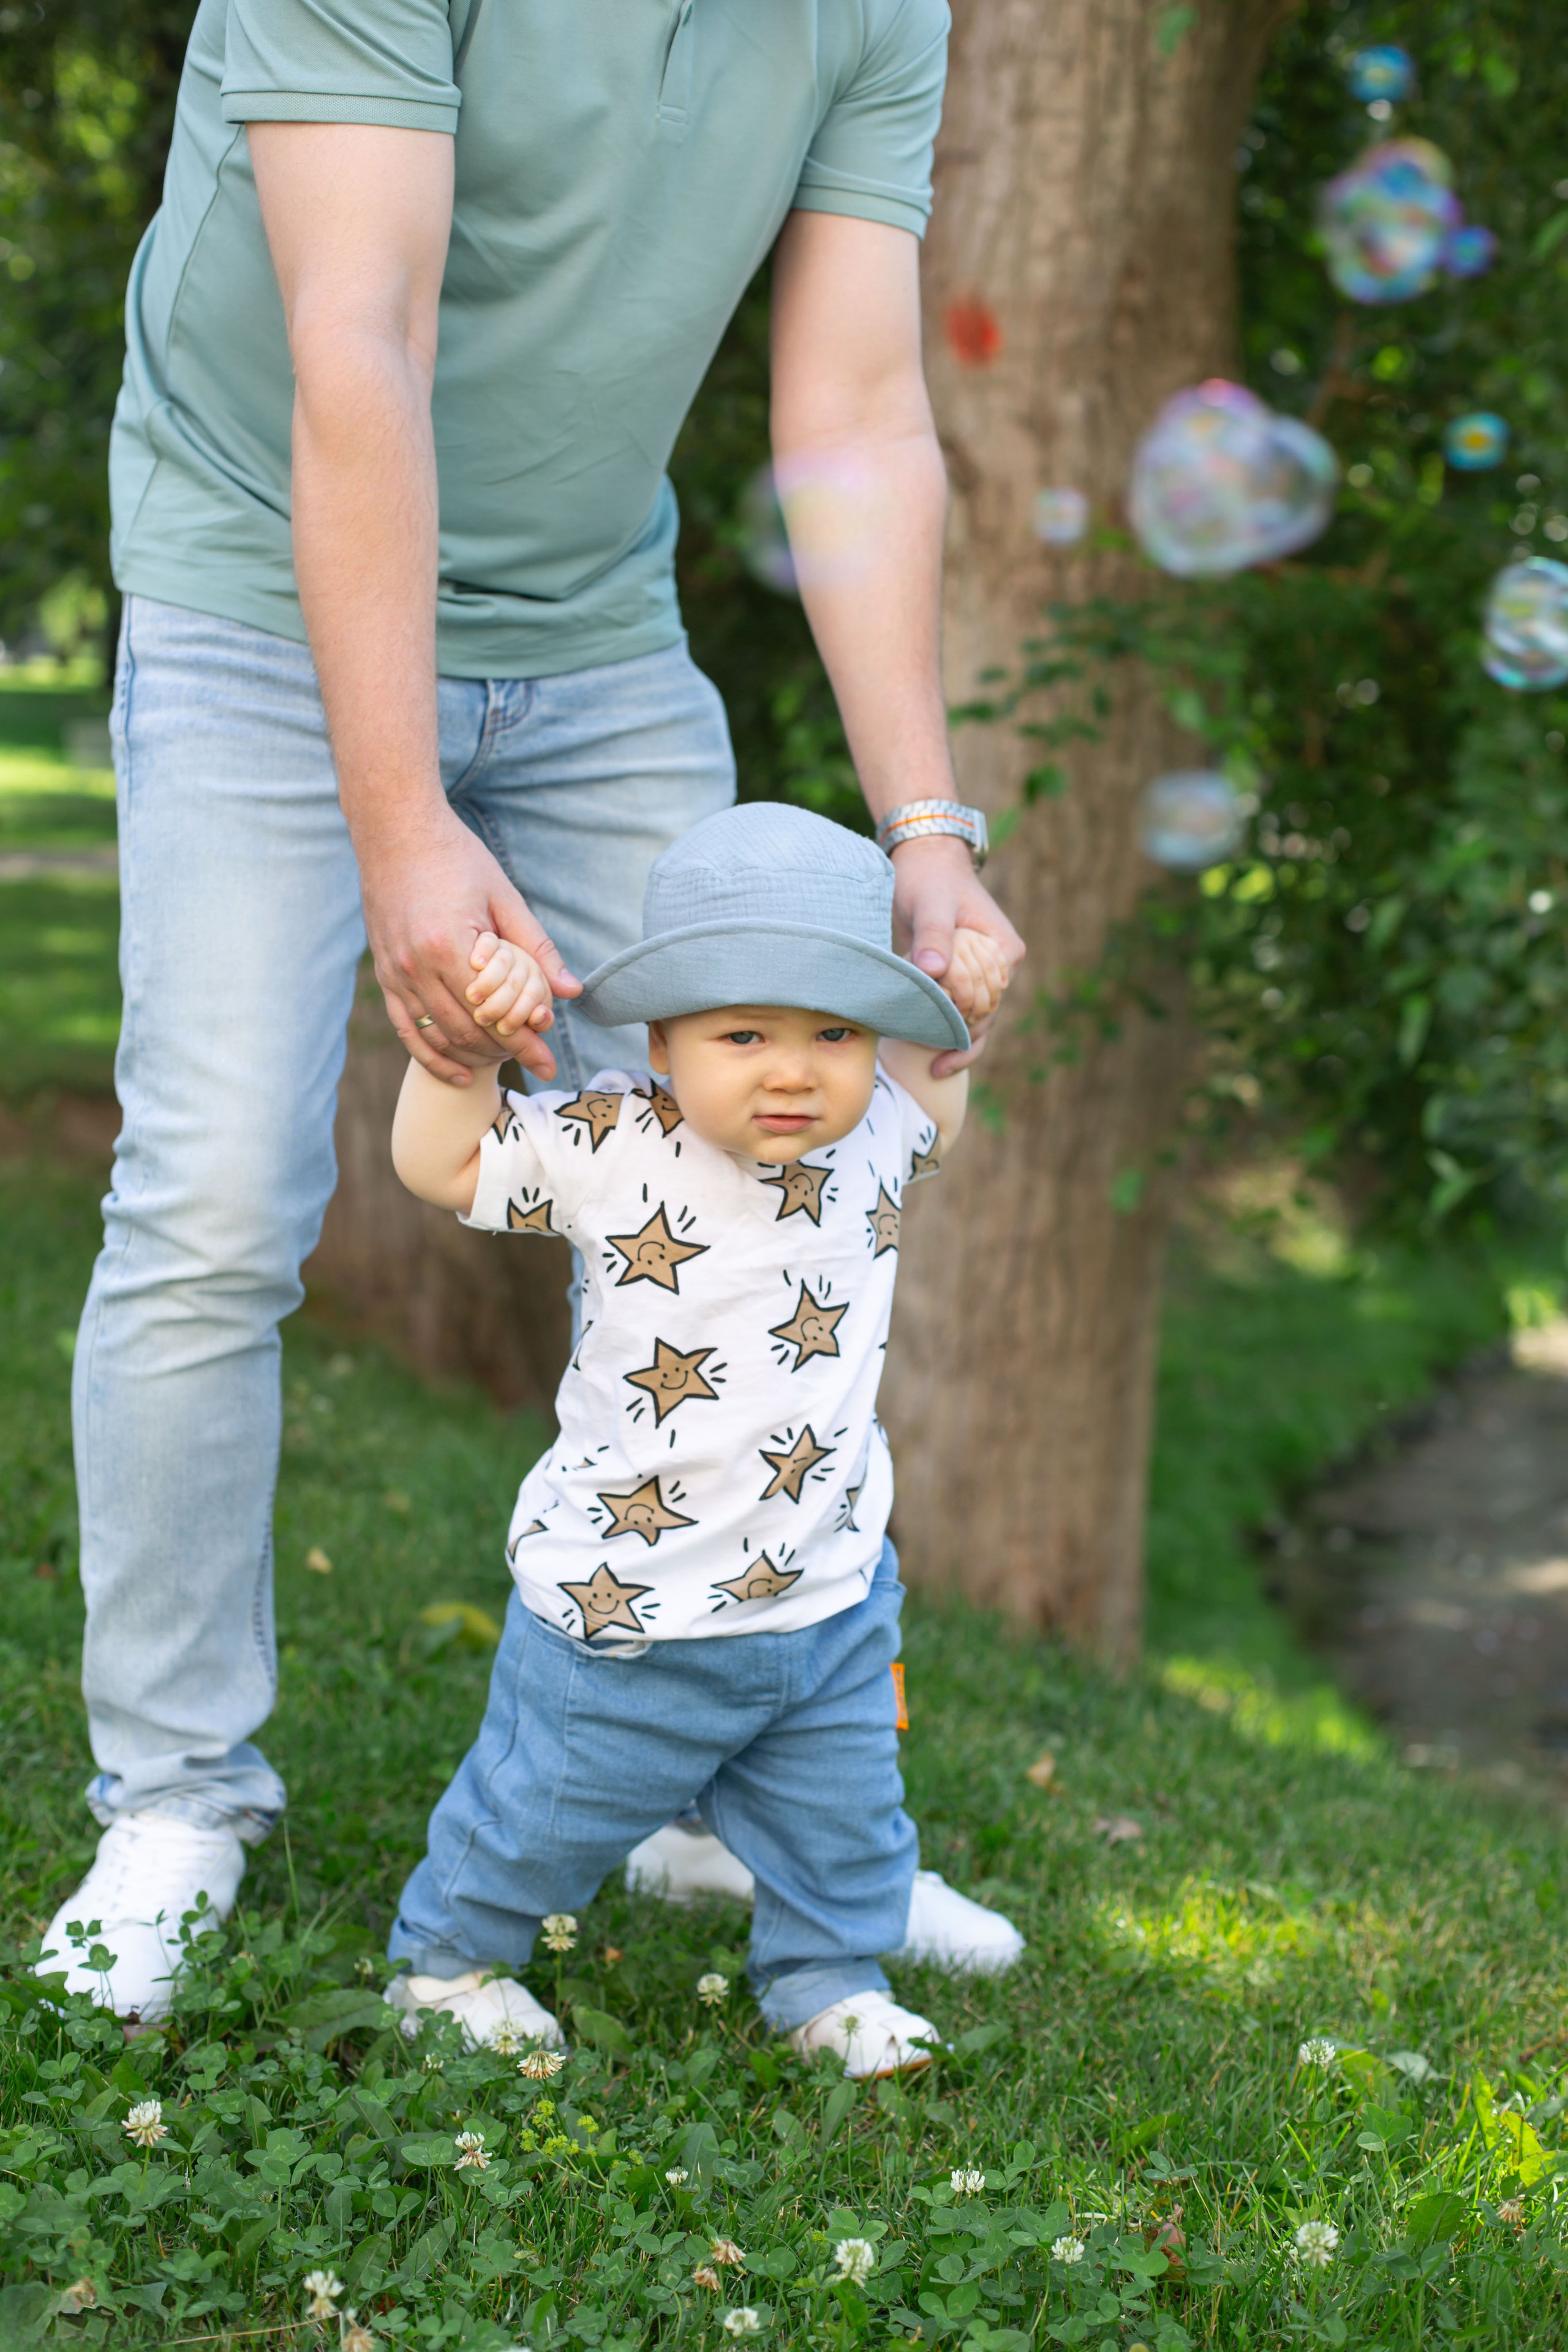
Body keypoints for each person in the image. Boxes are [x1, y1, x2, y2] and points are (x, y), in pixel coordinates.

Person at [38, 0, 1025, 2022]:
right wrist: (400, 827)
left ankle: (711, 1780)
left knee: (763, 1171)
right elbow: (358, 341)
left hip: (595, 629)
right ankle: (174, 1804)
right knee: (219, 1199)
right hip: (257, 579)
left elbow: (852, 410)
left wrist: (925, 831)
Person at [384, 802, 1009, 2078]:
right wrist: (462, 1055)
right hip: (627, 1608)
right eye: (743, 1035)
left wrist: (965, 996)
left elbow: (941, 1092)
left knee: (842, 1818)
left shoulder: (878, 1129)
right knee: (538, 1818)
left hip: (825, 1592)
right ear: (660, 1041)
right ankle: (445, 1968)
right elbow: (441, 1167)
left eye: (834, 1032)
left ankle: (828, 1976)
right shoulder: (612, 1142)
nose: (793, 1071)